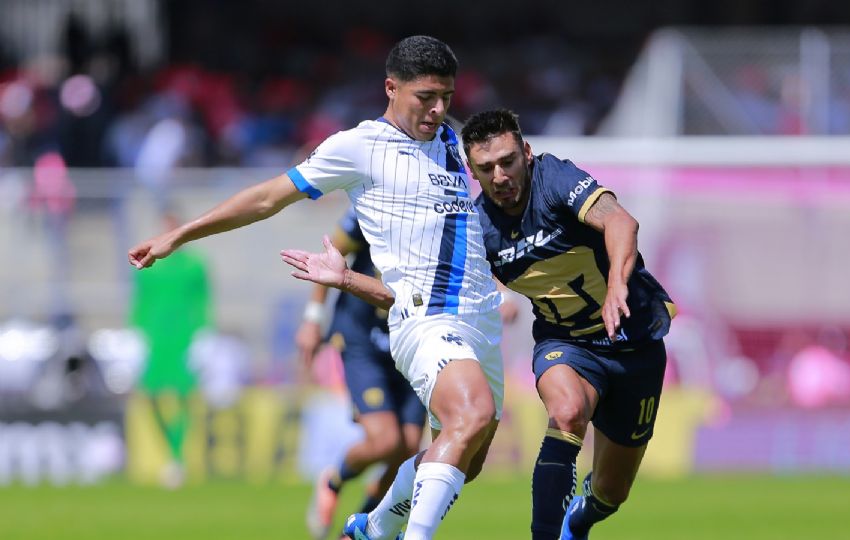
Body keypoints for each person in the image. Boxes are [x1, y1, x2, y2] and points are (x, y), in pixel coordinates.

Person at [130, 35, 504, 540]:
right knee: (471, 415)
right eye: (426, 97)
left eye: (447, 98)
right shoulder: (359, 147)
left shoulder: (454, 141)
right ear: (391, 88)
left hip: (479, 319)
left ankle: (370, 528)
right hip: (424, 317)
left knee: (466, 454)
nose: (438, 109)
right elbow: (266, 198)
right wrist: (180, 233)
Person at [461, 109, 676, 539]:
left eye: (507, 161)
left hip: (634, 341)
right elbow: (460, 289)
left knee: (612, 493)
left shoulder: (554, 179)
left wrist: (617, 285)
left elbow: (620, 221)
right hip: (566, 344)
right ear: (473, 172)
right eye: (486, 168)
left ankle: (580, 519)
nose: (500, 175)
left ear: (526, 152)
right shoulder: (477, 227)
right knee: (566, 412)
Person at [298, 208, 426, 539]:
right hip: (362, 340)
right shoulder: (371, 207)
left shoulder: (436, 209)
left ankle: (365, 526)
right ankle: (333, 479)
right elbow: (332, 254)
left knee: (408, 450)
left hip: (411, 341)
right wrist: (313, 318)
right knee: (386, 441)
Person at [129, 209, 212, 488]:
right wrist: (136, 334)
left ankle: (177, 457)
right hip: (155, 339)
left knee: (185, 396)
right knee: (151, 395)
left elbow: (203, 302)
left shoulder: (194, 266)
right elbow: (139, 302)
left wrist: (203, 334)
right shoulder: (148, 267)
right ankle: (172, 451)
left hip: (183, 338)